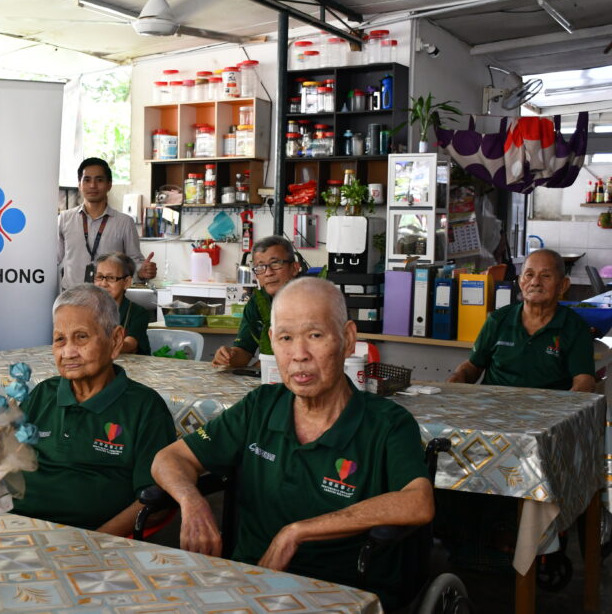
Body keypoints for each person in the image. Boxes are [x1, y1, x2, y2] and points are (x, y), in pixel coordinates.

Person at [152, 277, 433, 610]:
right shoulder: (260, 406)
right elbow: (169, 459)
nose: (299, 355)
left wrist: (298, 532)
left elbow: (418, 502)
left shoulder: (386, 423)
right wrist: (192, 502)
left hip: (344, 593)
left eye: (315, 335)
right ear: (272, 342)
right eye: (286, 338)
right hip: (250, 584)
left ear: (347, 339)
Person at [13, 284, 176, 534]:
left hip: (91, 541)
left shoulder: (145, 407)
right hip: (15, 527)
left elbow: (155, 502)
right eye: (59, 339)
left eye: (81, 337)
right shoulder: (43, 393)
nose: (68, 352)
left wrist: (97, 541)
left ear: (116, 340)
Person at [447, 248, 595, 391]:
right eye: (529, 275)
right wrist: (457, 378)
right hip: (492, 407)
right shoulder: (498, 320)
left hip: (548, 411)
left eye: (546, 276)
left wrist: (569, 410)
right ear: (520, 282)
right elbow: (474, 366)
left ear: (563, 285)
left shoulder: (575, 327)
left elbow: (584, 382)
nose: (535, 282)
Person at [58, 157, 156, 291]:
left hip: (109, 298)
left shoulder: (124, 222)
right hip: (73, 297)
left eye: (99, 180)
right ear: (79, 184)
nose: (93, 185)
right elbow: (53, 259)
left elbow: (134, 262)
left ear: (109, 184)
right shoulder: (64, 219)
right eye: (87, 180)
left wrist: (142, 271)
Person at [212, 235, 301, 368]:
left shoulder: (312, 301)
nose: (268, 273)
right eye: (260, 267)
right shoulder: (257, 303)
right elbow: (244, 351)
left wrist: (267, 363)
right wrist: (229, 356)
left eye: (275, 263)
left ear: (294, 268)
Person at [93, 252, 151, 355]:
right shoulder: (87, 311)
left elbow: (130, 345)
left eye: (111, 278)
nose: (103, 283)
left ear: (126, 282)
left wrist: (96, 345)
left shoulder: (139, 313)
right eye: (100, 277)